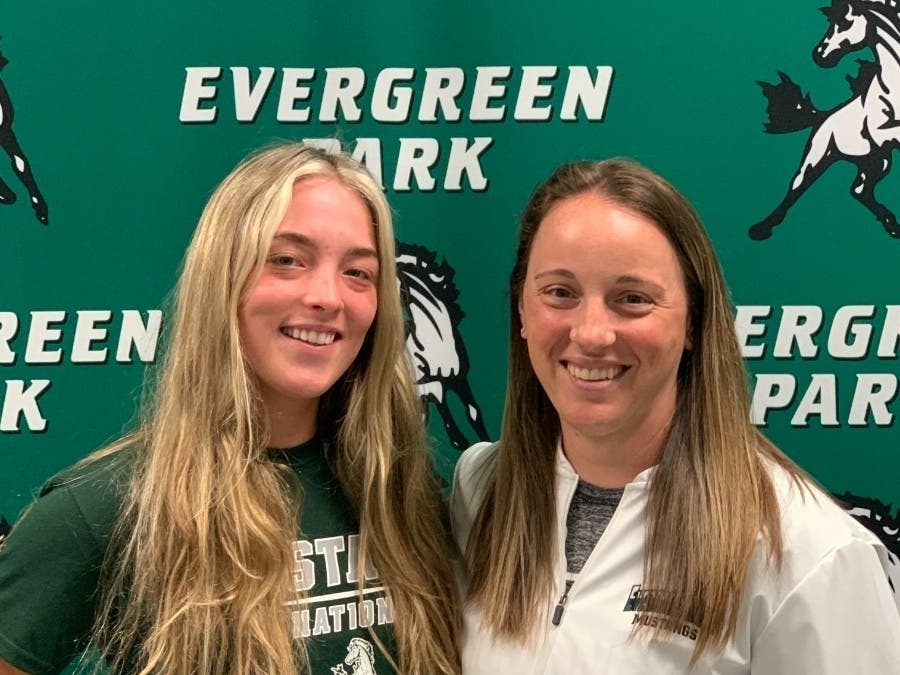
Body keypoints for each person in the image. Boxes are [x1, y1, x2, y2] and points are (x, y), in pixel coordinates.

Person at [0, 143, 460, 675]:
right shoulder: (106, 507)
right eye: (287, 260)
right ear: (224, 277)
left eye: (358, 272)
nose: (328, 297)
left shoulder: (404, 496)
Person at [451, 158, 900, 673]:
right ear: (522, 311)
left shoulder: (805, 550)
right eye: (560, 293)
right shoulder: (481, 492)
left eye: (633, 299)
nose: (592, 333)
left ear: (693, 323)